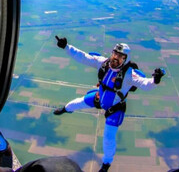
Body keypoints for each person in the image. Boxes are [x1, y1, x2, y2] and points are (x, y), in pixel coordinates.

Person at [51, 35, 165, 172]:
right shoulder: (103, 62)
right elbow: (83, 57)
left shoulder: (129, 74)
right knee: (79, 102)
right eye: (115, 53)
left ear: (125, 59)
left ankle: (106, 164)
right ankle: (65, 109)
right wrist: (67, 47)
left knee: (108, 138)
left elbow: (145, 84)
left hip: (115, 107)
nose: (116, 58)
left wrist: (155, 80)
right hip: (101, 97)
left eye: (120, 56)